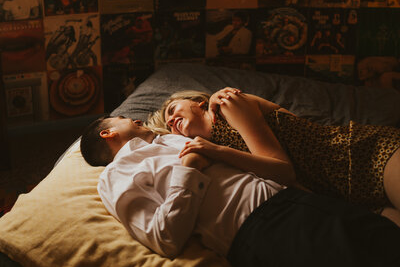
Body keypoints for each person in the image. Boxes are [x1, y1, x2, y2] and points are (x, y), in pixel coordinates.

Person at [80, 114, 400, 267]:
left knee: (384, 239)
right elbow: (165, 237)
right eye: (123, 118)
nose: (133, 117)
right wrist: (189, 166)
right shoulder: (116, 177)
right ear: (108, 132)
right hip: (262, 232)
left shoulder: (168, 140)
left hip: (296, 199)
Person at [152, 88, 400, 220]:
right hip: (343, 194)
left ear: (198, 102)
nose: (172, 120)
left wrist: (217, 151)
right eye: (169, 123)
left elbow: (284, 171)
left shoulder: (227, 104)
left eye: (173, 110)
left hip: (364, 155)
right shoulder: (212, 152)